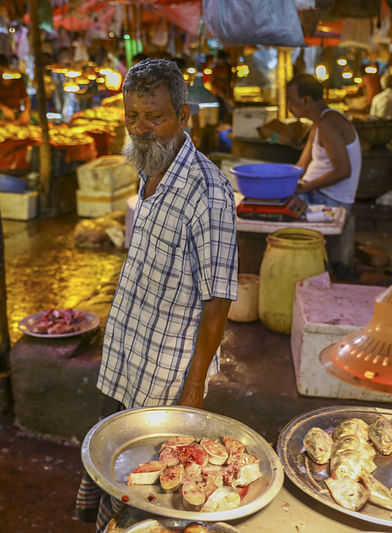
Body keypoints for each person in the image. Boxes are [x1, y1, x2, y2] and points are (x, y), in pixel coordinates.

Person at [75, 58, 238, 530]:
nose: (141, 129)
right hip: (128, 351)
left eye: (155, 117)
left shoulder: (208, 192)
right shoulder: (148, 168)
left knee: (150, 482)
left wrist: (194, 387)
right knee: (111, 456)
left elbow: (219, 298)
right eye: (133, 117)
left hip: (167, 369)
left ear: (184, 117)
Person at [287, 73, 361, 211]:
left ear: (306, 101)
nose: (288, 107)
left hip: (329, 200)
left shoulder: (328, 124)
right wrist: (282, 181)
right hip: (315, 192)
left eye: (291, 101)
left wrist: (303, 187)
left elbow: (343, 171)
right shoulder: (318, 123)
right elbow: (301, 165)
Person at [0, 53, 30, 123]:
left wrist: (25, 112)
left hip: (16, 112)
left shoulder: (18, 80)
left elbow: (26, 99)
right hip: (1, 112)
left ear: (5, 67)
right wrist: (4, 109)